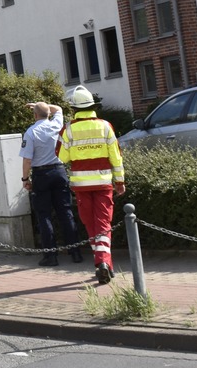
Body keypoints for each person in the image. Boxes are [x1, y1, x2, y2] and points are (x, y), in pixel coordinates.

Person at [58, 85, 125, 285]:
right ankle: (104, 263)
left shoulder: (68, 129)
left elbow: (62, 157)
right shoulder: (105, 126)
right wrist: (120, 181)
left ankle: (102, 263)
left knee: (90, 224)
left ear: (74, 108)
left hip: (81, 186)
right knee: (104, 224)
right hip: (103, 183)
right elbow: (116, 157)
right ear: (92, 106)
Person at [20, 100, 82, 267]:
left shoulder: (31, 132)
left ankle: (51, 256)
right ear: (48, 114)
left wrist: (25, 179)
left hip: (41, 174)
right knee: (66, 212)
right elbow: (59, 109)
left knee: (44, 214)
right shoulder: (56, 123)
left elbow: (27, 160)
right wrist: (42, 105)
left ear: (34, 115)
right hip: (59, 171)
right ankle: (75, 252)